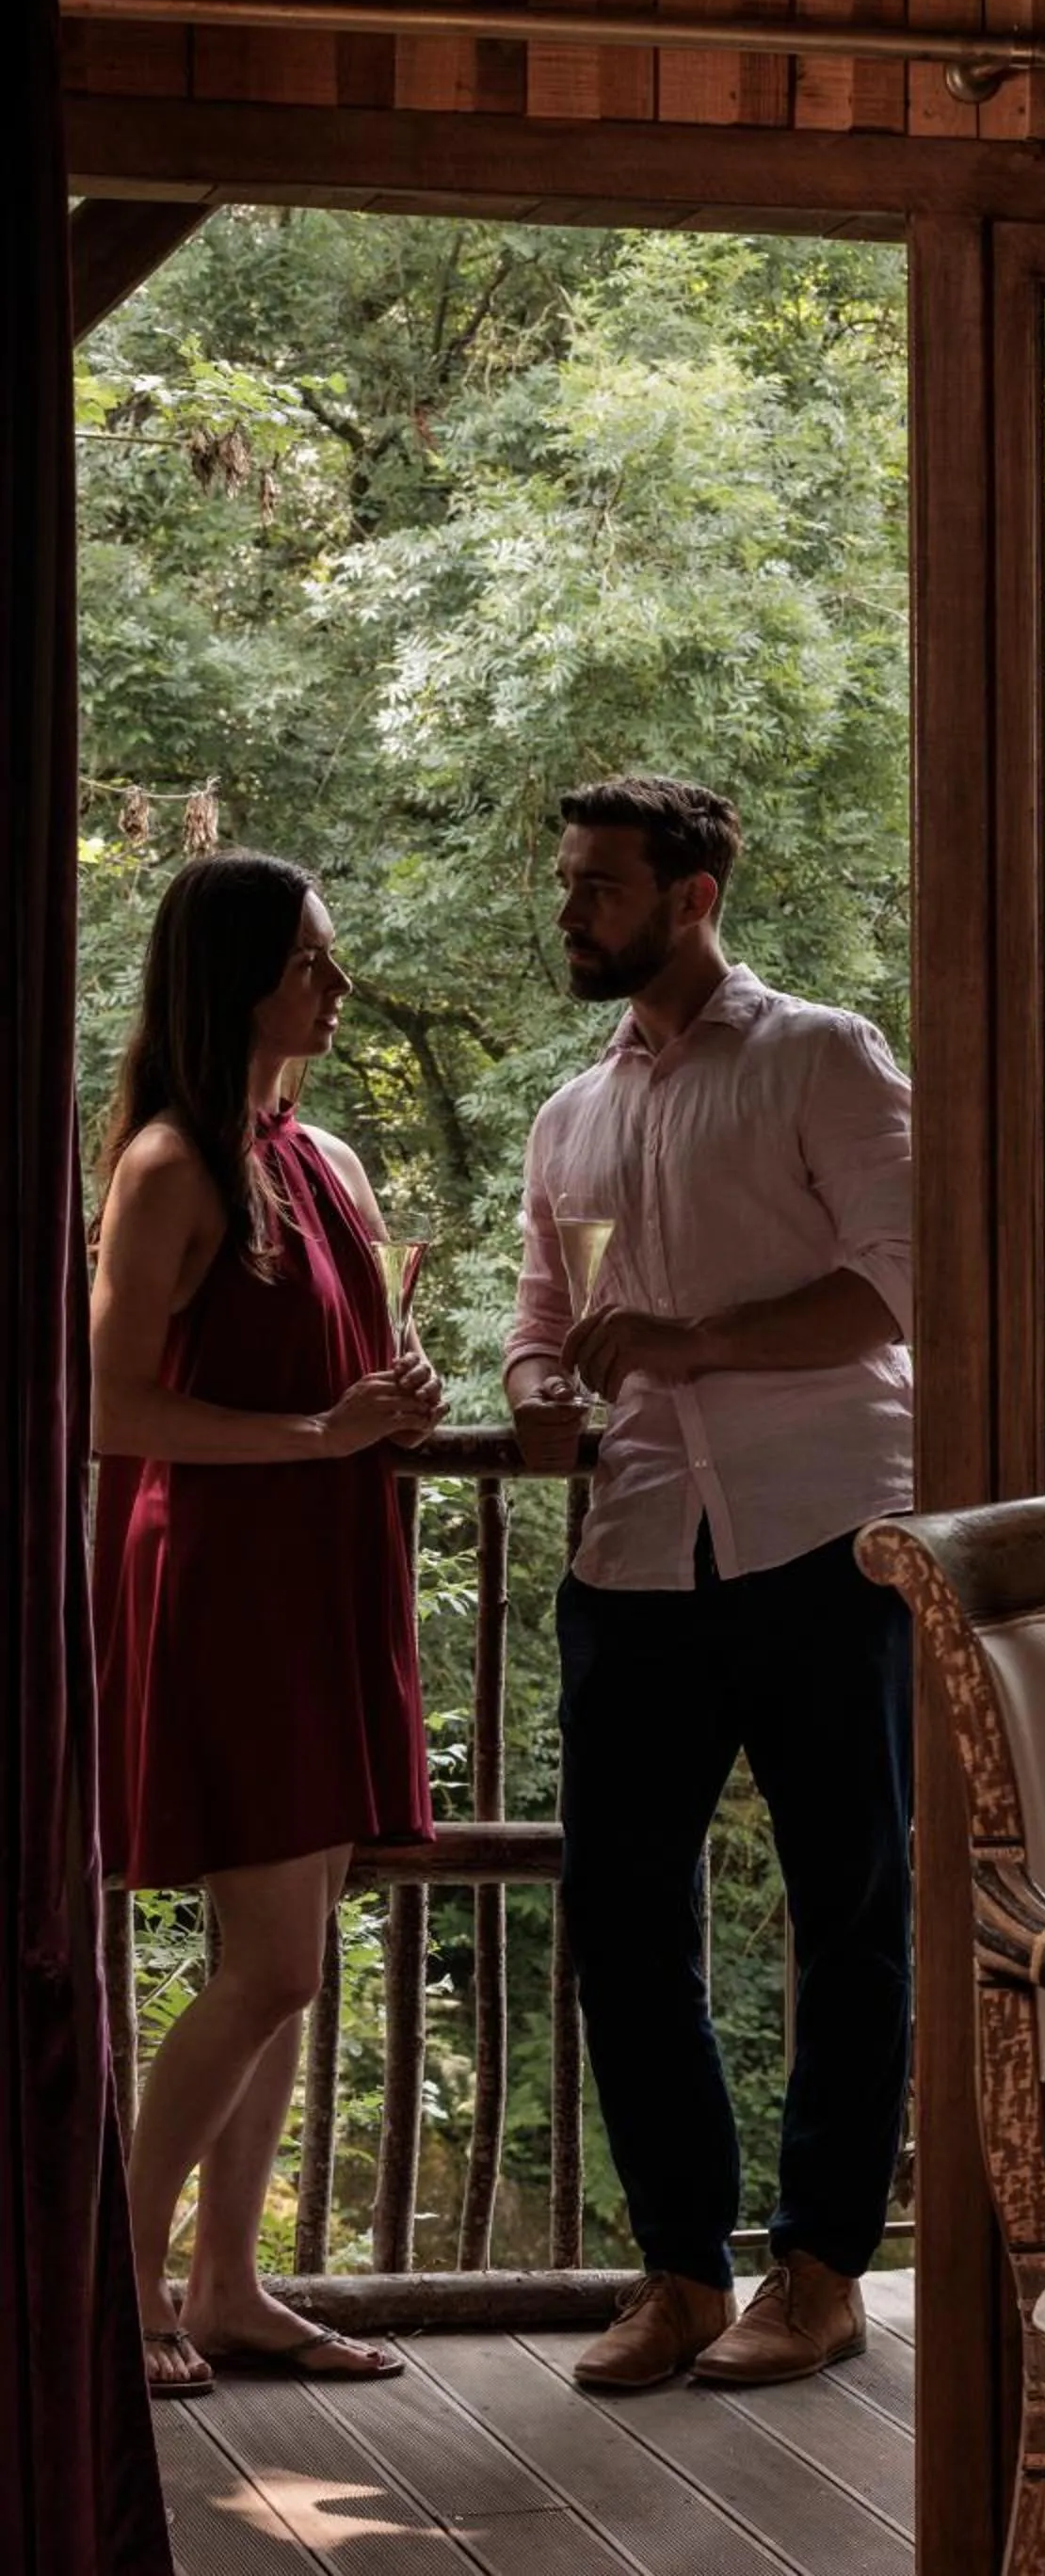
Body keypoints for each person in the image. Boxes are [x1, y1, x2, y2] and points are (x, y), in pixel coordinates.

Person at [506, 774, 912, 2392]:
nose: (570, 909)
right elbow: (546, 1317)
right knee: (618, 1915)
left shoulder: (821, 1056)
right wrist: (539, 1393)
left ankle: (819, 2273)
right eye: (568, 882)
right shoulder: (570, 1114)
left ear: (692, 895)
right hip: (635, 1551)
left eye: (599, 884)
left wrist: (699, 1344)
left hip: (823, 1534)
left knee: (850, 1908)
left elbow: (905, 1283)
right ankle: (680, 2270)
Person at [90, 852, 444, 2398]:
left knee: (291, 1957)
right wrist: (322, 1433)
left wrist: (395, 1408)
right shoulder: (171, 1167)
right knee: (273, 1965)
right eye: (313, 956)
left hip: (326, 1572)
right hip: (230, 1578)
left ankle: (229, 2287)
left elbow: (347, 1373)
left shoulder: (327, 1163)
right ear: (238, 974)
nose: (338, 981)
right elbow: (110, 1410)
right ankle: (123, 2286)